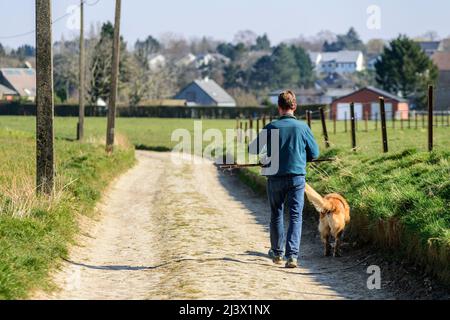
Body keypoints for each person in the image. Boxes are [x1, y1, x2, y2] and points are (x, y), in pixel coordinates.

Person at [249, 90, 320, 268]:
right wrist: (303, 157)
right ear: (294, 106)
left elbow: (253, 149)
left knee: (276, 213)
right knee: (296, 215)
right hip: (297, 177)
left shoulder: (271, 127)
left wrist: (266, 157)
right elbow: (315, 154)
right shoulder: (303, 128)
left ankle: (277, 253)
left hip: (275, 177)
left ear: (279, 107)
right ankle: (292, 256)